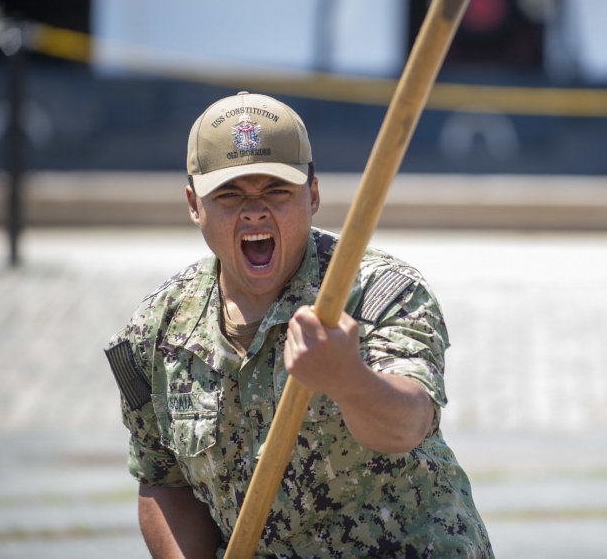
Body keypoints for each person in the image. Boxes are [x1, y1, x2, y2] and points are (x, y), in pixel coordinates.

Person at [105, 92, 493, 558]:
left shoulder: (377, 291)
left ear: (312, 195)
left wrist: (349, 379)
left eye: (276, 190)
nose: (254, 210)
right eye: (229, 194)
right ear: (194, 204)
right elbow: (163, 481)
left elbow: (408, 425)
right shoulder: (156, 331)